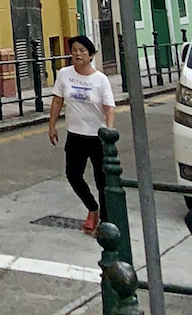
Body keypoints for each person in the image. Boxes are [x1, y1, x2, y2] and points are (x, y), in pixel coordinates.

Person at [48, 34, 118, 234]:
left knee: (102, 180)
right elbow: (57, 101)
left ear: (91, 55)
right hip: (75, 134)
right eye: (74, 50)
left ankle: (105, 223)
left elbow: (109, 107)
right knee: (73, 175)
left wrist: (109, 132)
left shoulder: (100, 80)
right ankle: (92, 208)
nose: (77, 54)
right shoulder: (64, 74)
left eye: (82, 51)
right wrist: (52, 125)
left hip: (97, 137)